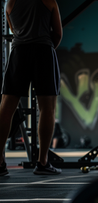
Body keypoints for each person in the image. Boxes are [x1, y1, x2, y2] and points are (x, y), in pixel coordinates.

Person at [0, 0, 63, 176]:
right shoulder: (49, 1)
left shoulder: (10, 3)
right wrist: (46, 47)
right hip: (43, 50)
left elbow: (13, 30)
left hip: (19, 52)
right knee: (47, 107)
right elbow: (57, 34)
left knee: (6, 106)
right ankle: (42, 162)